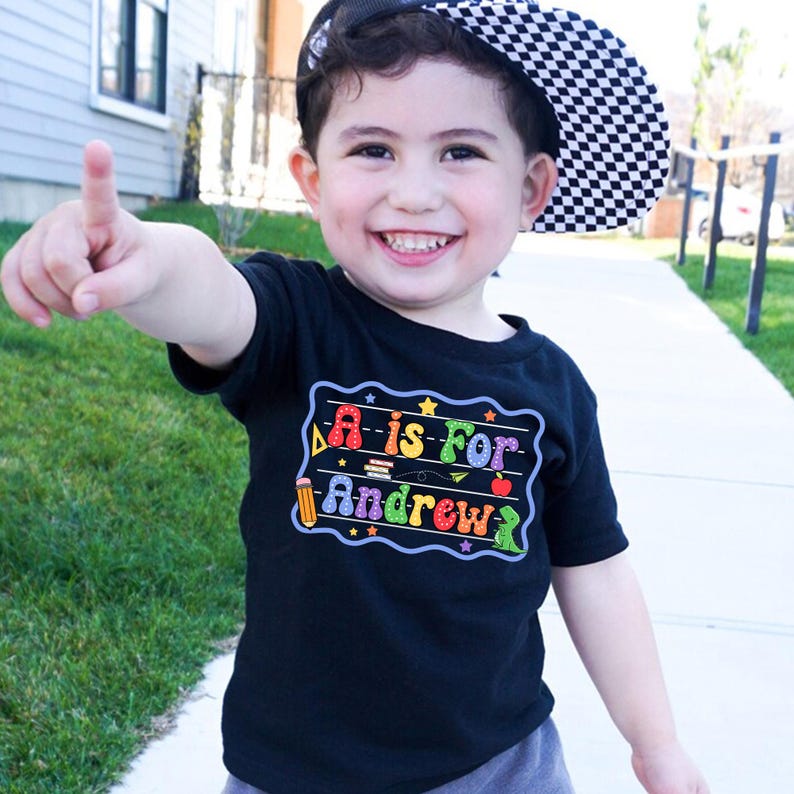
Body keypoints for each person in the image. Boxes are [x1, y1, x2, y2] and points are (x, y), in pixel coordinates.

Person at [1, 1, 709, 792]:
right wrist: (146, 259)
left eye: (461, 152)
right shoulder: (298, 323)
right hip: (296, 772)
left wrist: (656, 740)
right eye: (374, 149)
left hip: (498, 767)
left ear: (530, 187)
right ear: (313, 178)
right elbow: (211, 294)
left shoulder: (552, 388)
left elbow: (596, 572)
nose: (414, 193)